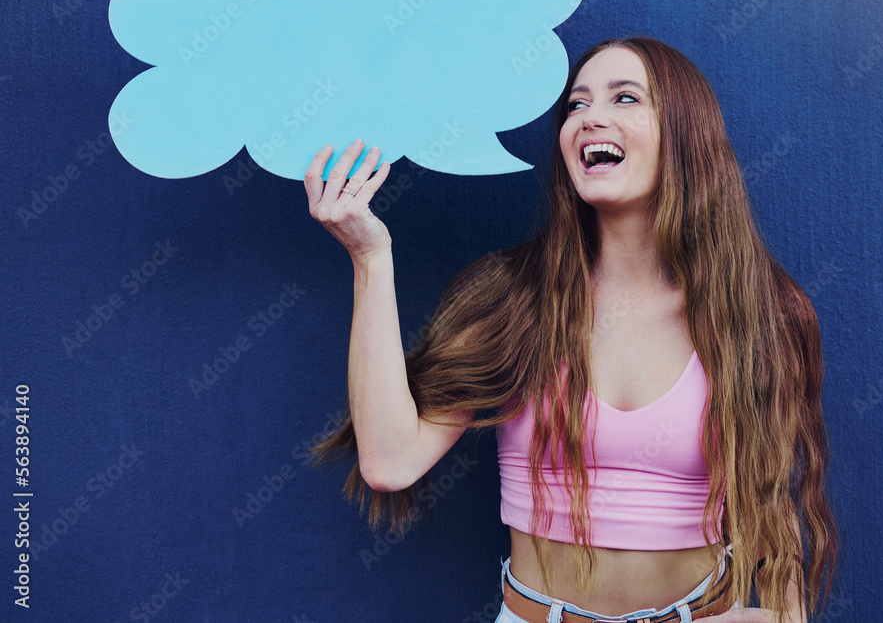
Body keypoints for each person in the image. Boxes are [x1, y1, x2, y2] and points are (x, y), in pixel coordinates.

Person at [303, 37, 838, 623]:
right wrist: (369, 259)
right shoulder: (511, 297)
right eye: (576, 105)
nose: (591, 119)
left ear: (686, 133)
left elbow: (773, 503)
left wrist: (786, 620)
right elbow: (390, 462)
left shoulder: (762, 310)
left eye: (625, 98)